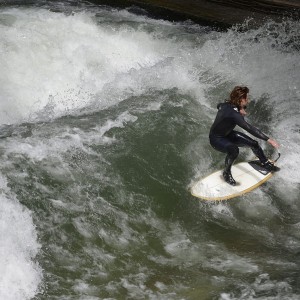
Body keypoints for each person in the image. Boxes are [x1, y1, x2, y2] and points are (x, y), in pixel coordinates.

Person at [209, 86, 279, 186]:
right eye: (247, 99)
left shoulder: (225, 105)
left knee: (254, 144)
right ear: (241, 100)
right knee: (234, 150)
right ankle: (226, 173)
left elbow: (219, 105)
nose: (248, 101)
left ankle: (265, 163)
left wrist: (240, 108)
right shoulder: (235, 115)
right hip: (216, 139)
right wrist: (269, 140)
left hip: (228, 134)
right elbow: (249, 128)